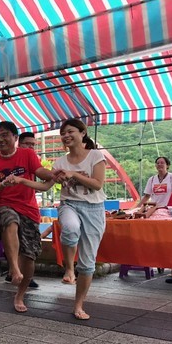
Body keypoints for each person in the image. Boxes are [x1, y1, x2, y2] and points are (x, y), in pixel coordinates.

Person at [0, 121, 54, 313]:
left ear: (15, 138)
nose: (0, 139)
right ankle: (13, 267)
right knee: (9, 219)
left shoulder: (27, 155)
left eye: (4, 135)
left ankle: (20, 294)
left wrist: (55, 173)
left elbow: (40, 172)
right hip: (3, 205)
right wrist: (3, 184)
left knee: (30, 256)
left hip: (29, 210)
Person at [50, 119, 106, 320]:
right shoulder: (59, 162)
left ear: (82, 133)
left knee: (88, 263)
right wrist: (21, 181)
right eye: (63, 133)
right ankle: (69, 269)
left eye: (70, 131)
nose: (66, 135)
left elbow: (97, 184)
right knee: (70, 228)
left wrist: (73, 173)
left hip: (94, 209)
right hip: (69, 205)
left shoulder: (95, 155)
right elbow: (46, 184)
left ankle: (78, 305)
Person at [3, 131, 40, 289]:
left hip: (29, 208)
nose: (30, 147)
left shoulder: (31, 158)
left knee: (28, 246)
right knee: (12, 226)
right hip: (8, 207)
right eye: (27, 144)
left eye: (33, 144)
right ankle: (14, 270)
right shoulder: (7, 160)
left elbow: (39, 183)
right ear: (18, 142)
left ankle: (17, 273)